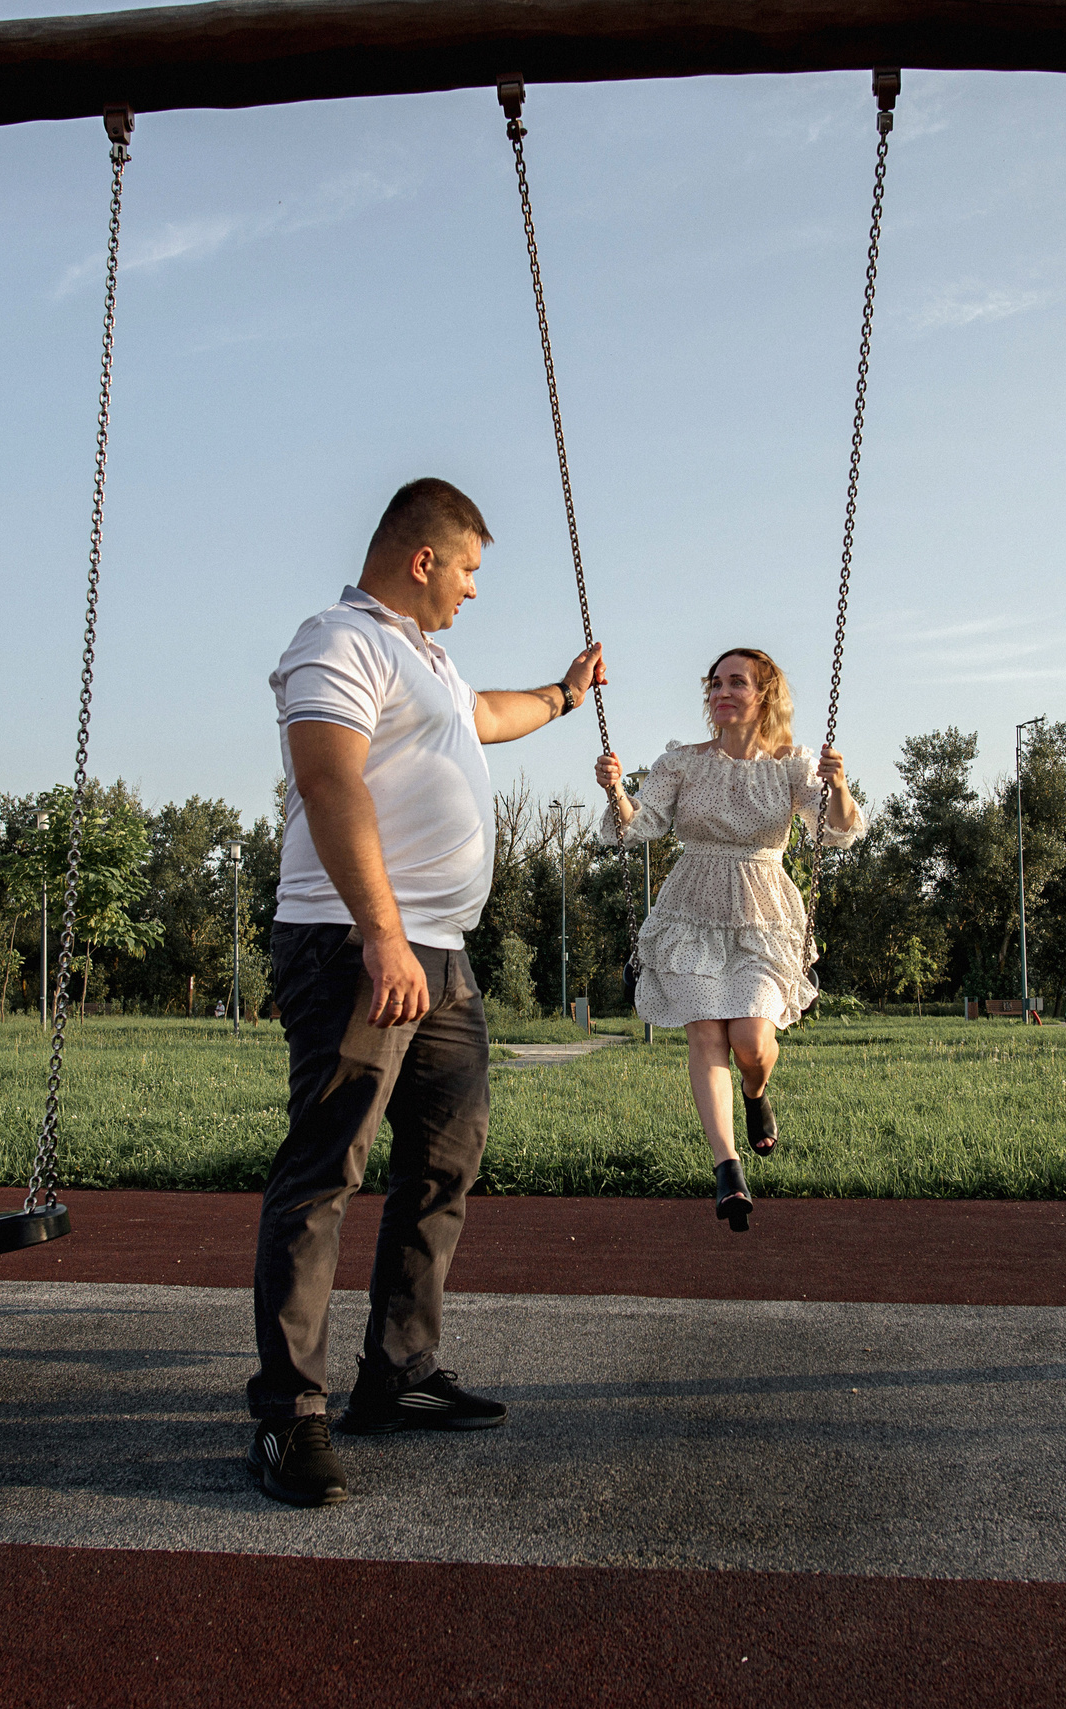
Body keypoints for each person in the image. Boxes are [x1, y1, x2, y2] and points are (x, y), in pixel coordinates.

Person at [251, 477, 604, 1508]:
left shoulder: (433, 662)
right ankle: (287, 1415)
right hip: (358, 945)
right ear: (421, 561)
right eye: (469, 570)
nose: (474, 590)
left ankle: (398, 1373)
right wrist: (381, 933)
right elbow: (329, 781)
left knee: (442, 1167)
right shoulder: (338, 639)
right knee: (327, 1171)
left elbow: (487, 714)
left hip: (439, 955)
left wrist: (564, 695)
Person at [595, 648, 863, 1232]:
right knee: (704, 1029)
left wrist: (837, 784)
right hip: (691, 904)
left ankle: (755, 1088)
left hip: (764, 910)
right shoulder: (684, 762)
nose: (721, 691)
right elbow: (639, 827)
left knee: (750, 1038)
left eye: (736, 682)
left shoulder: (791, 765)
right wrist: (617, 792)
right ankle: (726, 1167)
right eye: (714, 682)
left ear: (763, 694)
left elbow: (836, 834)